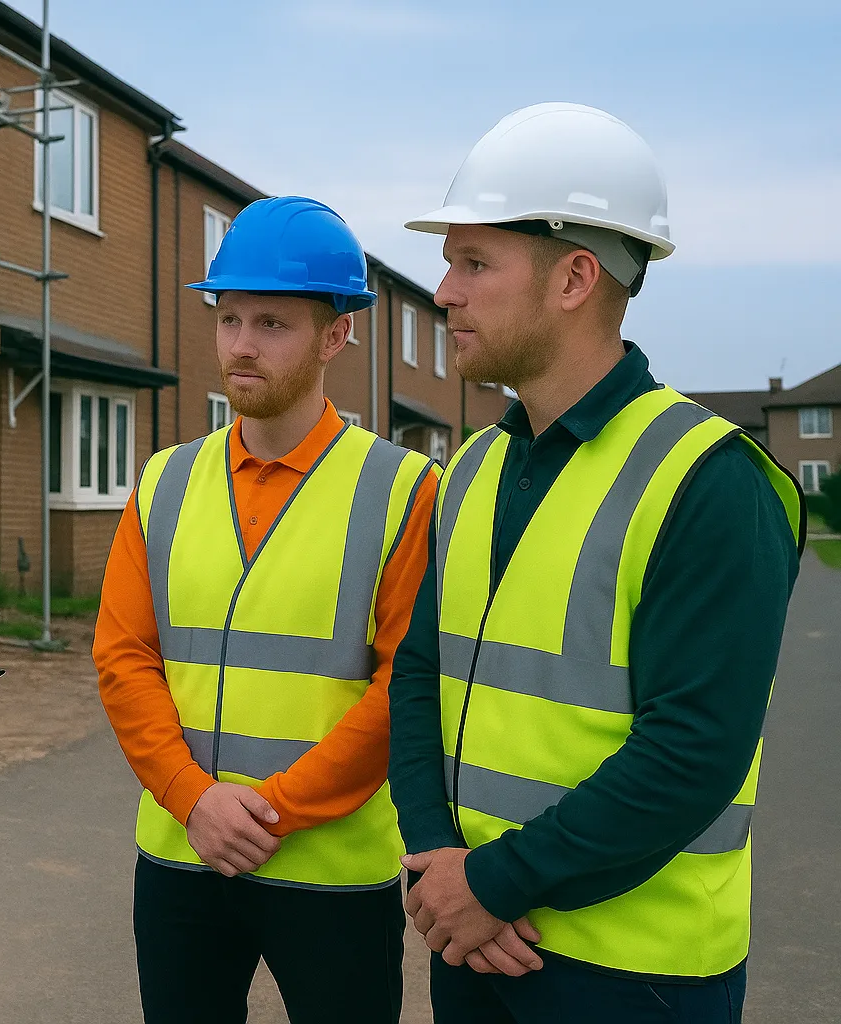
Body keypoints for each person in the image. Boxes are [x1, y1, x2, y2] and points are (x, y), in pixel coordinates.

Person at [388, 103, 805, 1023]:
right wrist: (434, 865)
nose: (443, 291)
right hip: (470, 942)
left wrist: (492, 883)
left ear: (576, 277)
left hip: (633, 980)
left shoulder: (710, 483)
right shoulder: (472, 470)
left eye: (474, 262)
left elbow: (693, 751)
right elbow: (420, 673)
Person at [94, 196, 439, 1024]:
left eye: (273, 323)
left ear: (336, 336)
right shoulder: (163, 482)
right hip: (182, 853)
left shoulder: (402, 490)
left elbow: (407, 687)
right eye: (229, 317)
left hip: (330, 873)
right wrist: (192, 798)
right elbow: (123, 657)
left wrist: (267, 810)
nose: (242, 343)